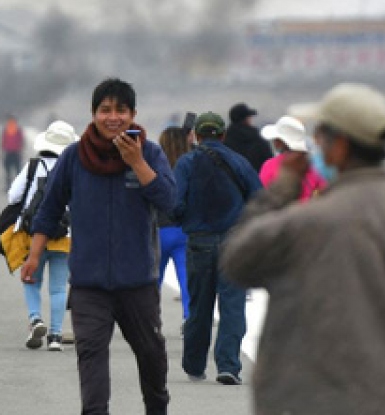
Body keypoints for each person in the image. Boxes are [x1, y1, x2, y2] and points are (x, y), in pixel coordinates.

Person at [221, 83, 385, 414]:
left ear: (340, 145)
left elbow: (237, 261)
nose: (316, 144)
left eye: (321, 136)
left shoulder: (309, 220)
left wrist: (282, 188)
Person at [22, 78, 177, 415]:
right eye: (105, 110)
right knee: (91, 355)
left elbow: (170, 201)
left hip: (138, 281)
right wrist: (34, 256)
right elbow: (48, 209)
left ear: (133, 114)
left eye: (121, 110)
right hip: (89, 283)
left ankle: (157, 409)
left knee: (151, 355)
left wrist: (136, 162)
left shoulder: (149, 153)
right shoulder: (74, 157)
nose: (113, 117)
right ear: (93, 114)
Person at [172, 111, 261, 386]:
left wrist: (187, 219)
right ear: (222, 135)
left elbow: (174, 205)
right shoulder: (240, 162)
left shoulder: (186, 163)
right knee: (233, 306)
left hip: (199, 241)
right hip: (234, 242)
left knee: (200, 306)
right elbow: (259, 199)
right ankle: (229, 366)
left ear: (196, 135)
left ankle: (195, 365)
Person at [7, 120, 78, 350]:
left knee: (31, 280)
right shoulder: (72, 168)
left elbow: (13, 196)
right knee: (58, 288)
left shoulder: (32, 166)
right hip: (63, 235)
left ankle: (35, 319)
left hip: (33, 234)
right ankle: (56, 337)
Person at [155, 127, 191, 322]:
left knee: (153, 281)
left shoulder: (155, 165)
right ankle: (189, 319)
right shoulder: (190, 164)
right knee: (186, 280)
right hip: (183, 230)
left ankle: (150, 321)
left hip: (158, 229)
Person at [258, 116, 325, 202]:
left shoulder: (269, 165)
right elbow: (322, 189)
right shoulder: (310, 164)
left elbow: (261, 194)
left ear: (278, 142)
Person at [223, 103, 272, 173]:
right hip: (256, 181)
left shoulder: (224, 142)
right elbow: (269, 164)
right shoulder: (258, 140)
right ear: (246, 119)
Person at [0, 115, 25, 188]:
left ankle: (11, 186)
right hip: (12, 152)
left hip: (13, 152)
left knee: (11, 171)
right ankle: (15, 186)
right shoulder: (13, 129)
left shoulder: (11, 130)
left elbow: (3, 141)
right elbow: (3, 141)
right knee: (13, 170)